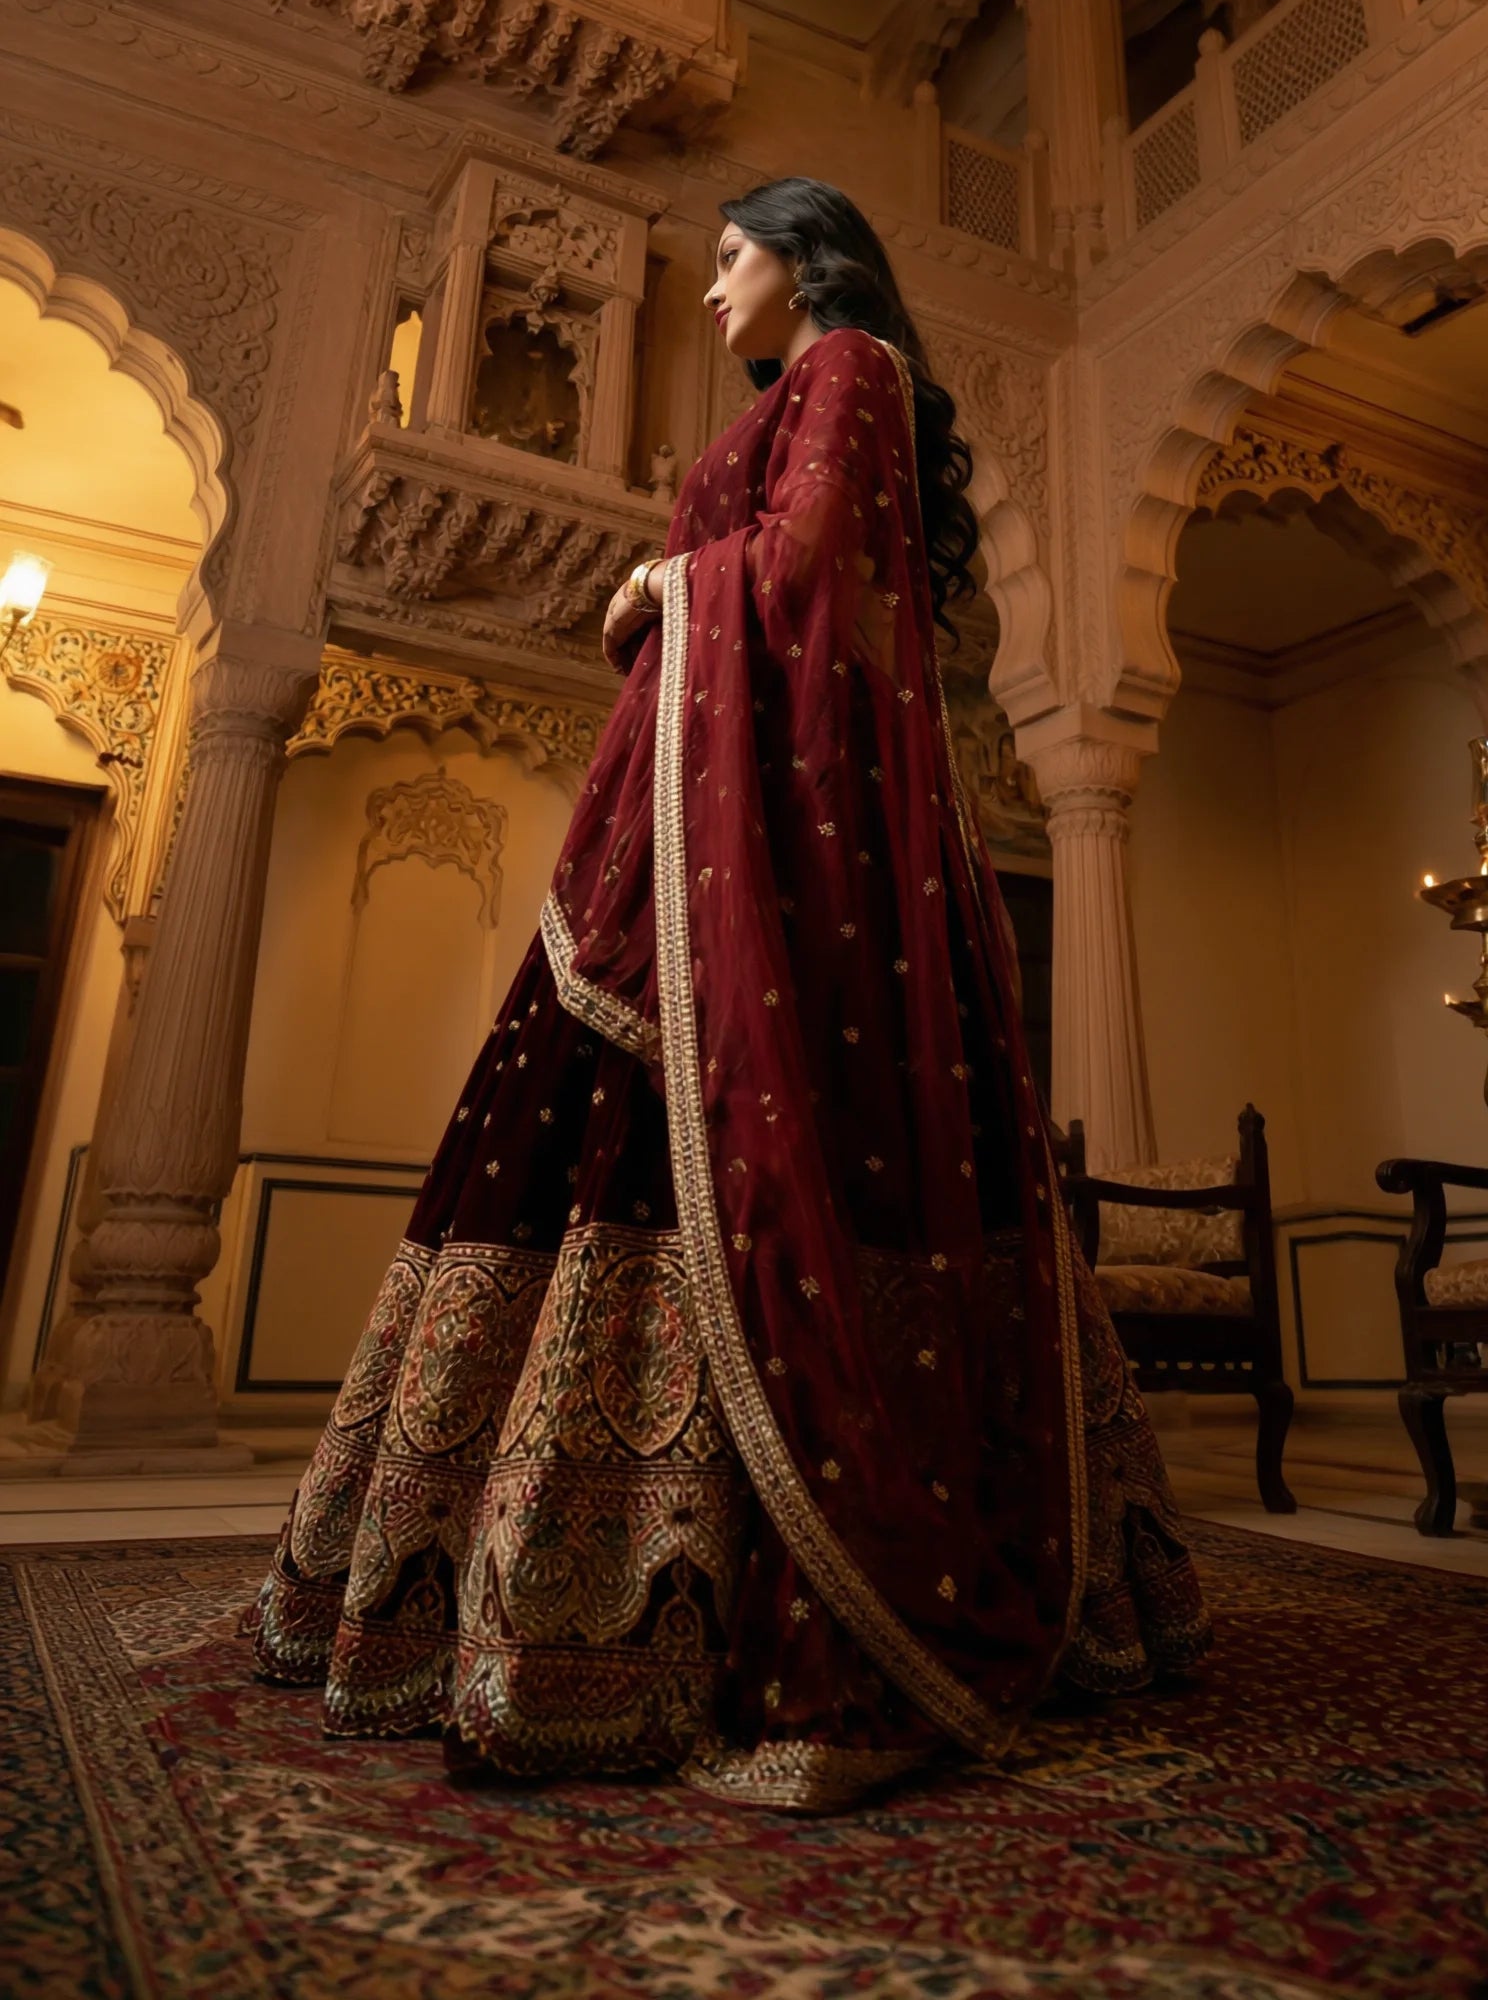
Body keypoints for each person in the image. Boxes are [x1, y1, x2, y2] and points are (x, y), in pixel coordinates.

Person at [248, 175, 1207, 1811]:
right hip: (710, 805)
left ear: (809, 262)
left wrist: (659, 588)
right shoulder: (810, 393)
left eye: (733, 261)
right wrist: (677, 581)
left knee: (684, 1123)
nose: (710, 296)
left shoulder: (851, 370)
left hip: (759, 831)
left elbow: (813, 560)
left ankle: (647, 1603)